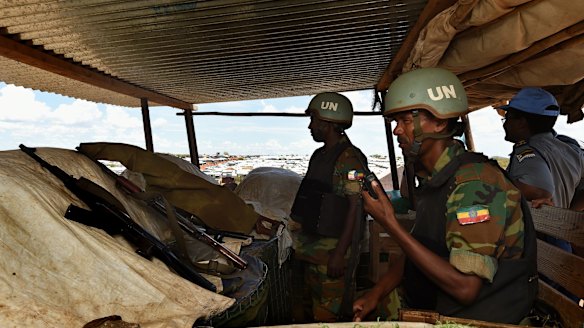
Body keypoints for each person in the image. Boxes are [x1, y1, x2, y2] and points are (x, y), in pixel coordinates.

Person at [352, 68, 537, 324]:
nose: (397, 131)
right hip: (437, 305)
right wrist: (376, 293)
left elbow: (466, 289)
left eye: (406, 121)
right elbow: (418, 248)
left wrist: (389, 222)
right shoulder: (437, 179)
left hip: (478, 318)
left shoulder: (473, 184)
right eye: (396, 122)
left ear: (440, 122)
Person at [289, 92, 369, 322]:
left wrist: (339, 254)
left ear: (328, 123)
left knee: (329, 319)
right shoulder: (319, 156)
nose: (310, 126)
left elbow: (356, 208)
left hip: (330, 256)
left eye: (313, 119)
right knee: (308, 315)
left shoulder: (350, 159)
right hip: (311, 251)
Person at [498, 87, 584, 214]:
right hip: (558, 231)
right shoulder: (571, 148)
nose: (505, 124)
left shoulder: (528, 150)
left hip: (535, 232)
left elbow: (539, 190)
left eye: (508, 118)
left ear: (522, 122)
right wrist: (567, 214)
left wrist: (492, 184)